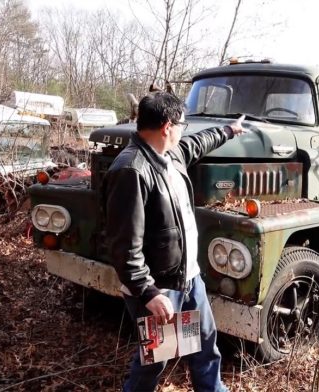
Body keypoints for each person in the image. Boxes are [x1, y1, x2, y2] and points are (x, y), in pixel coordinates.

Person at [103, 91, 244, 392]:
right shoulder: (131, 170)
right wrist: (148, 292)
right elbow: (123, 245)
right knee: (155, 359)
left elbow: (198, 142)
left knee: (205, 347)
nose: (185, 130)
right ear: (168, 126)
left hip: (189, 279)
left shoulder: (171, 154)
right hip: (159, 287)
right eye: (182, 124)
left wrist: (229, 130)